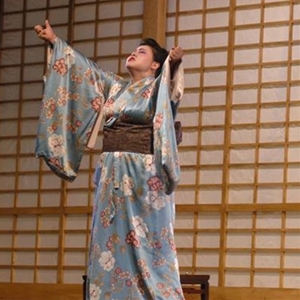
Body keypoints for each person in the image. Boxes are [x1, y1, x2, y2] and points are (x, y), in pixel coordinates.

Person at [34, 20, 185, 300]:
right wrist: (55, 42)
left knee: (147, 241)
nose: (133, 54)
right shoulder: (115, 88)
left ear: (155, 66)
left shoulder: (158, 87)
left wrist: (173, 65)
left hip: (143, 176)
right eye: (133, 50)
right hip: (111, 174)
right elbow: (84, 71)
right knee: (109, 241)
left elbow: (171, 90)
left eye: (142, 52)